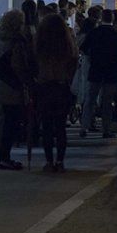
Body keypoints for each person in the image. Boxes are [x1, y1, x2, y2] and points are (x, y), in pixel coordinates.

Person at [0, 10, 33, 170]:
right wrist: (26, 82)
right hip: (11, 87)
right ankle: (3, 157)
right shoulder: (15, 41)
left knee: (0, 122)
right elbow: (19, 65)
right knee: (8, 123)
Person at [32, 13, 77, 171]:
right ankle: (60, 161)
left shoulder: (39, 44)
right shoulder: (66, 44)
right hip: (61, 86)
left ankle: (49, 160)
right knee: (60, 126)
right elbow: (73, 64)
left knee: (46, 126)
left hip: (44, 87)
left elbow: (34, 64)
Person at [82, 9, 117, 138]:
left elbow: (84, 48)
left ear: (101, 18)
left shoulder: (94, 32)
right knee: (107, 101)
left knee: (90, 99)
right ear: (113, 19)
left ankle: (84, 126)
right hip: (112, 71)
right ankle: (106, 129)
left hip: (95, 70)